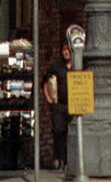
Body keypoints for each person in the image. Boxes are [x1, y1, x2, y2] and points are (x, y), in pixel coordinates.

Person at [41, 42, 70, 170]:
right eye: (64, 50)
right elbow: (45, 83)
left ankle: (70, 160)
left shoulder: (78, 66)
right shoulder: (56, 66)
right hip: (59, 106)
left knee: (71, 133)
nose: (66, 52)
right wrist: (49, 100)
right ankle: (60, 160)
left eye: (68, 50)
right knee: (59, 132)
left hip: (74, 106)